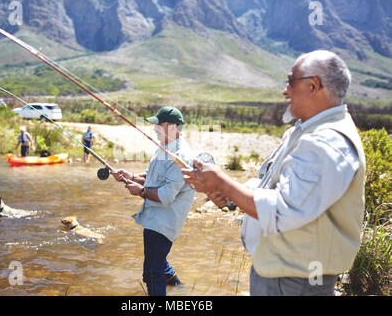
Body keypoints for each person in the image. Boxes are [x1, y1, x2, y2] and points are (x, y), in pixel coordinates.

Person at [182, 50, 366, 296]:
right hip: (284, 276)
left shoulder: (327, 143)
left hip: (296, 282)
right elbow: (275, 187)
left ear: (314, 86)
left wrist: (224, 184)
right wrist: (232, 192)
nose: (285, 90)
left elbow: (284, 210)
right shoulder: (306, 132)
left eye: (291, 81)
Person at [112, 106, 196, 296]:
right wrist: (131, 175)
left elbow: (166, 196)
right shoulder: (165, 148)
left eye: (159, 124)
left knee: (152, 272)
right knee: (158, 260)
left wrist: (140, 191)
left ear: (172, 126)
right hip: (154, 218)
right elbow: (153, 177)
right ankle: (180, 289)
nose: (154, 128)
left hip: (164, 221)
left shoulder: (181, 156)